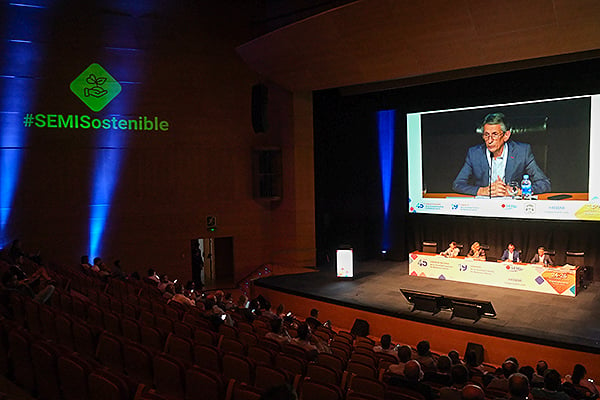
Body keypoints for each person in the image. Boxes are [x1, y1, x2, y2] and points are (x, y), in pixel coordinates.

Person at [453, 112, 551, 197]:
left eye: (495, 134)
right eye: (486, 135)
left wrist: (515, 191)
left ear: (506, 136)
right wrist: (483, 191)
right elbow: (457, 184)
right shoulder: (474, 153)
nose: (490, 140)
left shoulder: (522, 152)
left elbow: (544, 184)